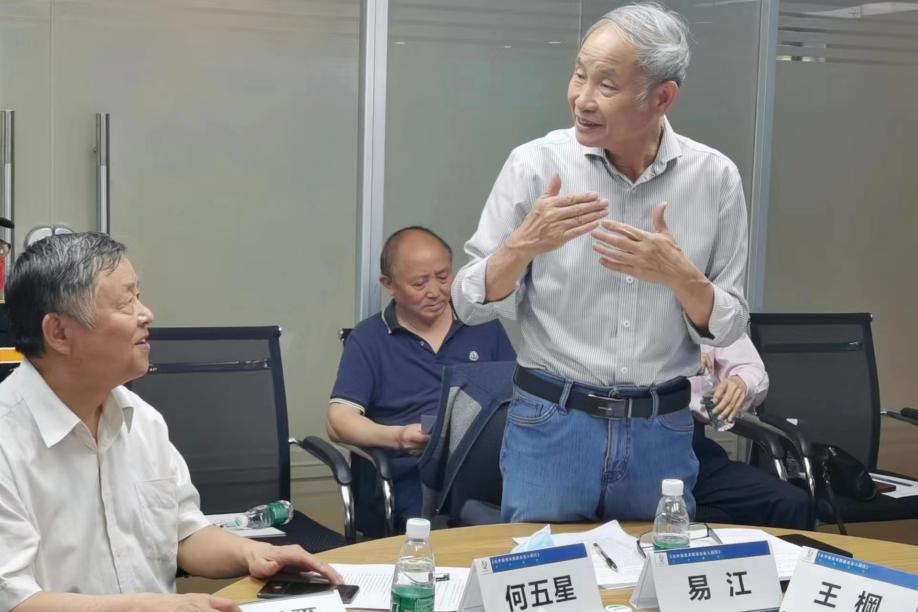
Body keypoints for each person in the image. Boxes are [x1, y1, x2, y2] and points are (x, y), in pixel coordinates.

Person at [452, 2, 749, 522]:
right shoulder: (535, 165)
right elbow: (467, 304)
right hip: (553, 423)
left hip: (661, 431)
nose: (582, 99)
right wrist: (521, 247)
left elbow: (730, 326)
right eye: (579, 75)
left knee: (654, 569)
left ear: (662, 97)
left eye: (606, 85)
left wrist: (681, 276)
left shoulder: (714, 178)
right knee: (547, 570)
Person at [0, 233, 341, 612]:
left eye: (139, 296)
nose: (146, 314)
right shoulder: (7, 441)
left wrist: (254, 553)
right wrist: (148, 608)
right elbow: (14, 599)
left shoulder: (142, 420)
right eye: (125, 303)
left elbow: (183, 533)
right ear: (59, 332)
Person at [327, 226, 514, 533]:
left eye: (443, 277)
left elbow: (514, 396)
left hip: (484, 469)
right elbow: (339, 420)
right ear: (389, 284)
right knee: (442, 529)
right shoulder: (369, 339)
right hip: (412, 474)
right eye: (419, 283)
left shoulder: (482, 325)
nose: (435, 291)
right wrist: (398, 436)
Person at [691, 335, 815, 529]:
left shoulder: (707, 317)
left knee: (790, 502)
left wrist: (740, 382)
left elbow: (751, 368)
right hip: (640, 442)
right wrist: (672, 363)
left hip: (691, 448)